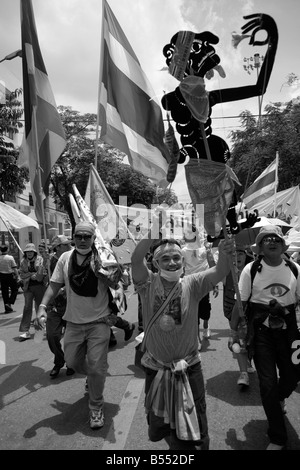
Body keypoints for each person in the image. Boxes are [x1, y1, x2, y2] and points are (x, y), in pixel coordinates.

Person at [131, 207, 235, 450]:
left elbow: (221, 271)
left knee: (196, 429)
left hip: (189, 368)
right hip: (155, 368)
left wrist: (227, 252)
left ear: (183, 262)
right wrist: (155, 227)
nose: (172, 261)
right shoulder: (147, 284)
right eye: (165, 258)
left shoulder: (194, 283)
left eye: (176, 257)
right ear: (155, 263)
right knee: (160, 422)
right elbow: (136, 259)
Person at [36, 221, 122, 430]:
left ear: (93, 238)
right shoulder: (65, 258)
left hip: (99, 322)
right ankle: (95, 374)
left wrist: (109, 272)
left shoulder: (103, 257)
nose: (83, 240)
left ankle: (96, 407)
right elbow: (55, 284)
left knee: (95, 366)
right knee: (72, 362)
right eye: (79, 236)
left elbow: (119, 284)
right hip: (73, 322)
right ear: (73, 238)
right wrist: (42, 306)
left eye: (87, 236)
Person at [230, 225, 300, 450]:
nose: (271, 241)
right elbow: (240, 303)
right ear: (259, 247)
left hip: (289, 329)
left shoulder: (295, 268)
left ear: (283, 244)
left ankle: (278, 399)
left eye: (276, 238)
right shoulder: (251, 269)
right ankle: (278, 437)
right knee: (267, 383)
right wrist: (234, 333)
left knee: (293, 374)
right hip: (260, 330)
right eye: (266, 239)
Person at [181, 231, 218, 347]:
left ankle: (206, 326)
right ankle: (196, 338)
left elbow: (212, 265)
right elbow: (181, 268)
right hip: (190, 283)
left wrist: (215, 284)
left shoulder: (204, 249)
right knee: (193, 311)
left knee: (205, 310)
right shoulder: (183, 251)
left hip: (203, 282)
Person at [45, 235, 75, 378]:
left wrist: (63, 289)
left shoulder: (74, 258)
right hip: (54, 305)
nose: (69, 246)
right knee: (52, 336)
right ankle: (59, 359)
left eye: (69, 244)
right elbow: (45, 281)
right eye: (65, 244)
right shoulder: (48, 261)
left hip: (71, 304)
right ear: (57, 247)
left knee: (71, 338)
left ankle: (70, 362)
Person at [224, 245, 254, 387]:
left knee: (253, 341)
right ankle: (243, 373)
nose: (238, 256)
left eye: (241, 253)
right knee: (240, 340)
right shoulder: (226, 270)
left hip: (254, 311)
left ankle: (249, 359)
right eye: (235, 253)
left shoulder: (252, 269)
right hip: (235, 310)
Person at [18, 243, 48, 342]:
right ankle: (25, 330)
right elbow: (21, 274)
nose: (29, 253)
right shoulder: (23, 262)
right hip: (28, 287)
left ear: (34, 252)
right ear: (25, 253)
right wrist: (31, 275)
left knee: (40, 307)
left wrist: (37, 275)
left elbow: (43, 271)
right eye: (27, 252)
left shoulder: (40, 259)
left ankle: (42, 328)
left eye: (31, 251)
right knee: (27, 308)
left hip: (39, 286)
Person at [0, 244, 19, 313]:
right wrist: (17, 276)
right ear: (7, 249)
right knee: (15, 289)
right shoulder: (10, 257)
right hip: (10, 275)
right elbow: (14, 268)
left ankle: (7, 308)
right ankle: (9, 302)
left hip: (2, 276)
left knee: (5, 292)